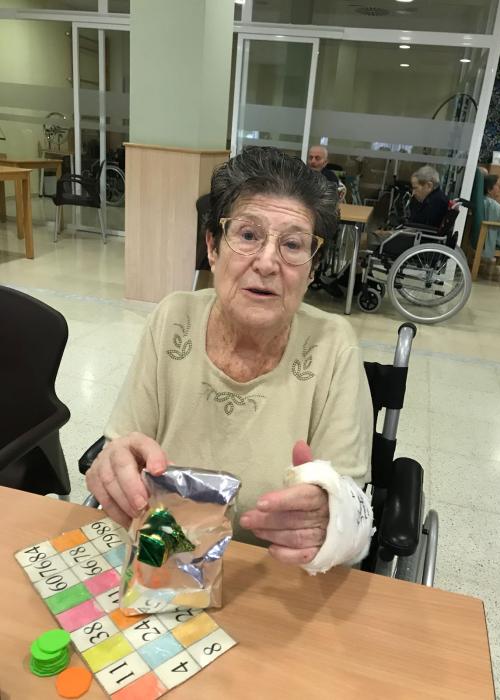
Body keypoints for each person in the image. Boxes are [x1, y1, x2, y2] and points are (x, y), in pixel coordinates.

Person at [86, 146, 374, 574]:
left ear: (312, 269)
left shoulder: (333, 346)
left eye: (293, 244)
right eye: (248, 235)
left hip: (275, 574)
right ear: (213, 246)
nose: (267, 262)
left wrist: (331, 519)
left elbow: (352, 508)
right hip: (167, 558)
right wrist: (114, 468)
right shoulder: (174, 318)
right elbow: (122, 447)